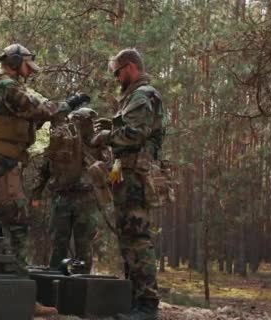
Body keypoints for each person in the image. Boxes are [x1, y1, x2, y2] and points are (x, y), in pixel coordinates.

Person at [0, 43, 89, 316]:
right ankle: (20, 297)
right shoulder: (7, 86)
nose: (30, 71)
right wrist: (71, 103)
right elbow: (43, 109)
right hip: (4, 165)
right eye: (27, 65)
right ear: (15, 62)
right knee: (17, 226)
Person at [90, 49, 165, 320]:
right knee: (128, 239)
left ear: (130, 67)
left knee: (138, 239)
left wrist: (108, 135)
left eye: (118, 72)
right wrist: (112, 126)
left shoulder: (143, 95)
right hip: (128, 175)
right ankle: (135, 302)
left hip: (137, 176)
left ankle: (147, 305)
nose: (116, 78)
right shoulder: (133, 96)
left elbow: (136, 134)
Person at [31, 107, 103, 273]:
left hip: (67, 197)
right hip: (80, 198)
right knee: (76, 243)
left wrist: (37, 193)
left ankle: (61, 277)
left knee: (67, 243)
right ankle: (74, 279)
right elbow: (46, 167)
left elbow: (44, 169)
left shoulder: (69, 141)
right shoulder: (67, 142)